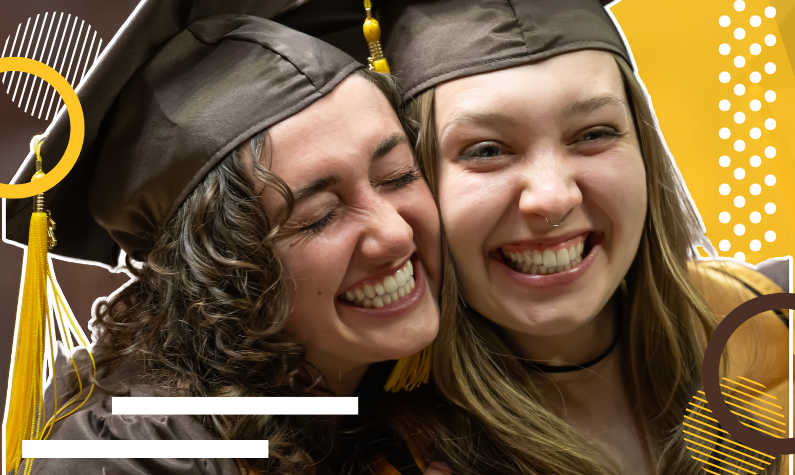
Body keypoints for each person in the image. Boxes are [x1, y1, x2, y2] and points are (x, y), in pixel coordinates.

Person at [273, 1, 790, 473]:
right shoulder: (395, 454)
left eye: (594, 134)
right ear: (415, 182)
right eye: (486, 150)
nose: (552, 197)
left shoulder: (754, 311)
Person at [2, 3, 441, 475]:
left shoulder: (409, 394)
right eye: (320, 217)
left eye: (397, 175)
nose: (395, 234)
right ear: (220, 271)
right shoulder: (140, 454)